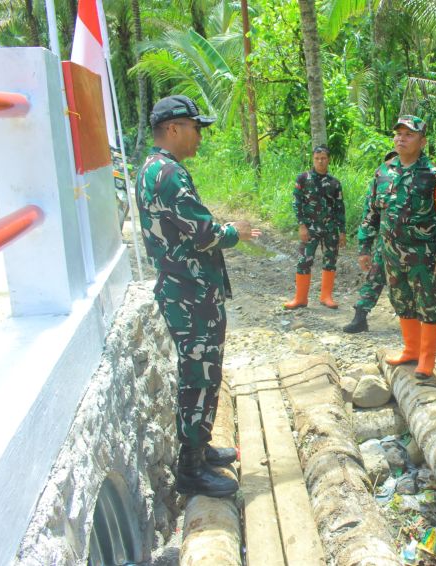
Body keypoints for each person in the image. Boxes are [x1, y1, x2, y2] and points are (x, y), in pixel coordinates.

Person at [136, 95, 261, 498]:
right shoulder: (168, 174)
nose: (199, 137)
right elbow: (204, 234)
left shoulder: (155, 169)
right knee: (199, 376)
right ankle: (190, 469)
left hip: (187, 291)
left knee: (203, 374)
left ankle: (201, 449)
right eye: (195, 128)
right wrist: (234, 231)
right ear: (174, 128)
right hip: (190, 294)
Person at [357, 116, 436, 378]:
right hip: (390, 252)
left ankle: (426, 360)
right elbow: (371, 211)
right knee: (401, 300)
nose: (401, 138)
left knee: (428, 304)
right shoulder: (384, 172)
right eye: (398, 134)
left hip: (424, 255)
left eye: (409, 135)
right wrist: (364, 246)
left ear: (422, 141)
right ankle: (411, 349)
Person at [284, 145, 347, 310]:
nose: (320, 161)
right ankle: (300, 298)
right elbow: (297, 202)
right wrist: (301, 225)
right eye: (317, 158)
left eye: (324, 158)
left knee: (330, 260)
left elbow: (340, 208)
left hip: (330, 228)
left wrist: (342, 231)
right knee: (304, 260)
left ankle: (326, 296)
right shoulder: (303, 178)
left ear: (328, 159)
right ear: (313, 159)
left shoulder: (334, 183)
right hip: (310, 227)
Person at [343, 150, 398, 334]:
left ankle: (422, 324)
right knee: (375, 276)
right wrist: (364, 247)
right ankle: (360, 316)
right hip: (386, 242)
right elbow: (370, 213)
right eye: (391, 162)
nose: (393, 165)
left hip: (419, 245)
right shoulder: (380, 176)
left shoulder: (425, 173)